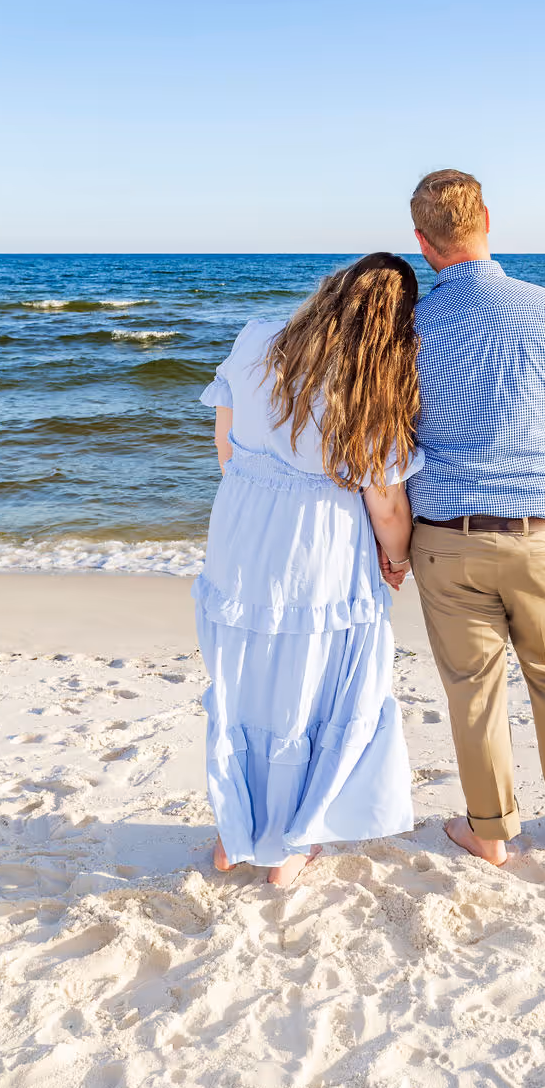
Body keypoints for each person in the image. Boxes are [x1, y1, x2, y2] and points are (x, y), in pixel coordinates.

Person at [390, 170, 545, 866]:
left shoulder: (408, 330)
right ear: (486, 218)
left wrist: (392, 546)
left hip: (444, 540)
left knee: (472, 692)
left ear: (422, 242)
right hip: (540, 533)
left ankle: (490, 833)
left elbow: (389, 448)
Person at [193, 253, 422, 887]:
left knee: (247, 677)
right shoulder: (373, 378)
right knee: (315, 678)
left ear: (332, 290)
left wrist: (255, 506)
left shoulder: (258, 336)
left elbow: (225, 441)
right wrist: (396, 559)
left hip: (241, 523)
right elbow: (386, 500)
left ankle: (234, 830)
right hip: (320, 535)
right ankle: (289, 843)